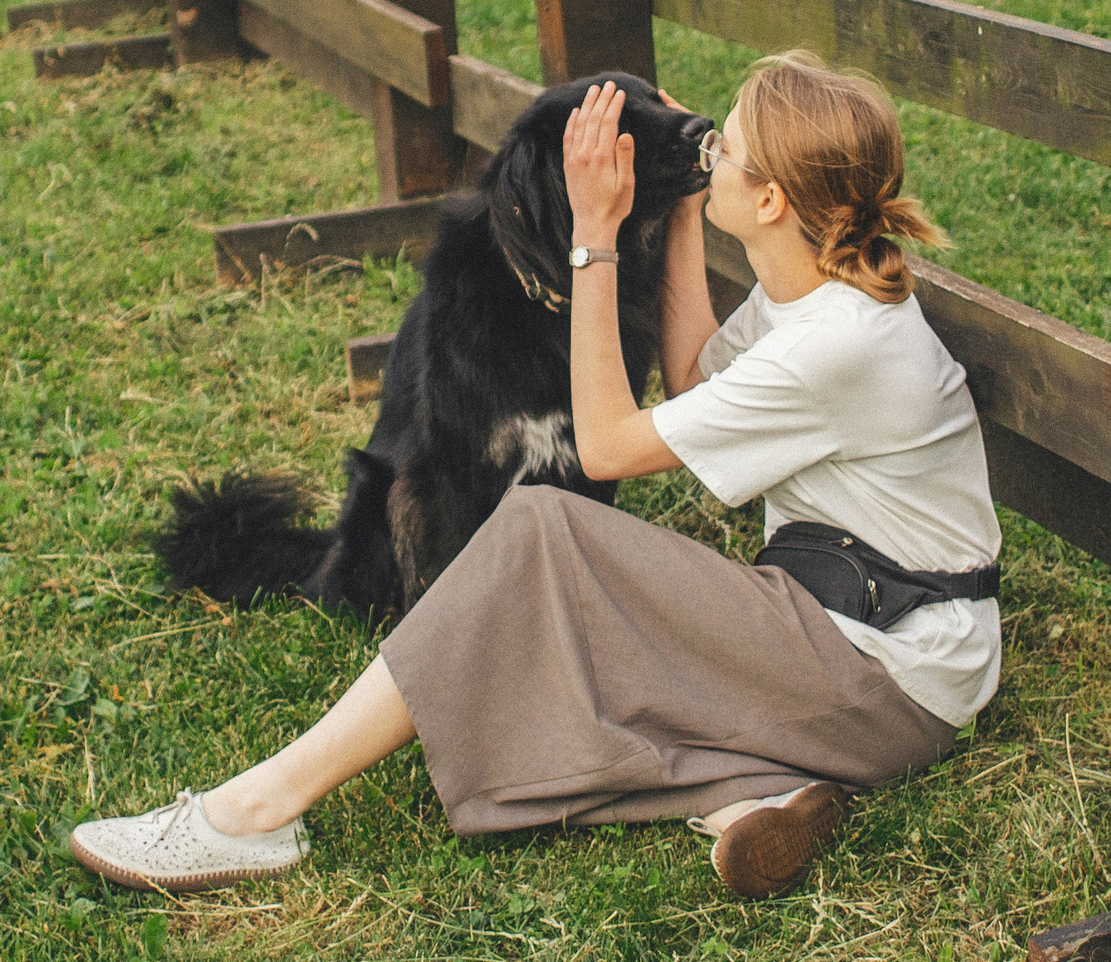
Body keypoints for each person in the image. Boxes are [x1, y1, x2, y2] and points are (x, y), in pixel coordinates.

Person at [67, 51, 1003, 899]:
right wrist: (678, 196)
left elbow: (602, 446)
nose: (705, 147)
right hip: (859, 635)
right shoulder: (817, 289)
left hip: (885, 675)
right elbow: (690, 379)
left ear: (769, 205)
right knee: (577, 614)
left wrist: (594, 236)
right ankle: (763, 783)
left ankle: (254, 812)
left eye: (725, 146)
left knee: (542, 530)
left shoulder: (838, 344)